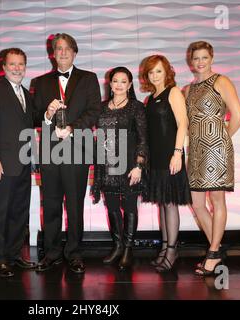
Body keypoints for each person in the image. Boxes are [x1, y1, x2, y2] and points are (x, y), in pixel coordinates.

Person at [33, 33, 101, 274]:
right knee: (50, 204)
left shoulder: (88, 79)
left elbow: (95, 111)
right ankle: (51, 253)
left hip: (78, 150)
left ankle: (74, 253)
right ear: (53, 53)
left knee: (74, 205)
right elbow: (33, 116)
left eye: (67, 48)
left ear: (75, 52)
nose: (62, 52)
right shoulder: (40, 82)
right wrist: (47, 115)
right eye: (58, 48)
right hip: (50, 152)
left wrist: (73, 127)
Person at [185, 41, 240, 276]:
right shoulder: (187, 90)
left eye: (204, 58)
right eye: (196, 58)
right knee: (197, 204)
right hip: (196, 151)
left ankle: (212, 254)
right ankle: (216, 249)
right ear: (191, 61)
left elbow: (238, 115)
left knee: (217, 201)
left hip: (217, 149)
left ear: (211, 58)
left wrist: (222, 138)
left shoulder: (221, 81)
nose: (200, 62)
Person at [0, 48, 37, 278]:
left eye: (21, 64)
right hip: (2, 165)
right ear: (3, 67)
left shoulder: (26, 93)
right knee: (0, 213)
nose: (17, 68)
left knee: (19, 212)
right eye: (12, 64)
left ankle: (14, 254)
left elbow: (29, 127)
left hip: (24, 164)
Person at [91, 67, 148, 270]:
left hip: (129, 166)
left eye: (123, 81)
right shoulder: (102, 107)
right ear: (110, 83)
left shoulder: (136, 107)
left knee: (130, 207)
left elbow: (143, 139)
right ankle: (117, 246)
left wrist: (139, 165)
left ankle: (128, 250)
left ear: (130, 85)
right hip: (107, 166)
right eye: (115, 81)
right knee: (113, 207)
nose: (119, 85)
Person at [140, 55, 191, 272]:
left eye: (158, 71)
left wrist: (177, 153)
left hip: (171, 156)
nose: (154, 75)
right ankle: (164, 247)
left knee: (169, 203)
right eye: (151, 72)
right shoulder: (150, 98)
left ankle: (172, 249)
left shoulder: (173, 92)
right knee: (162, 202)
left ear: (167, 71)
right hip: (156, 158)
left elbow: (183, 124)